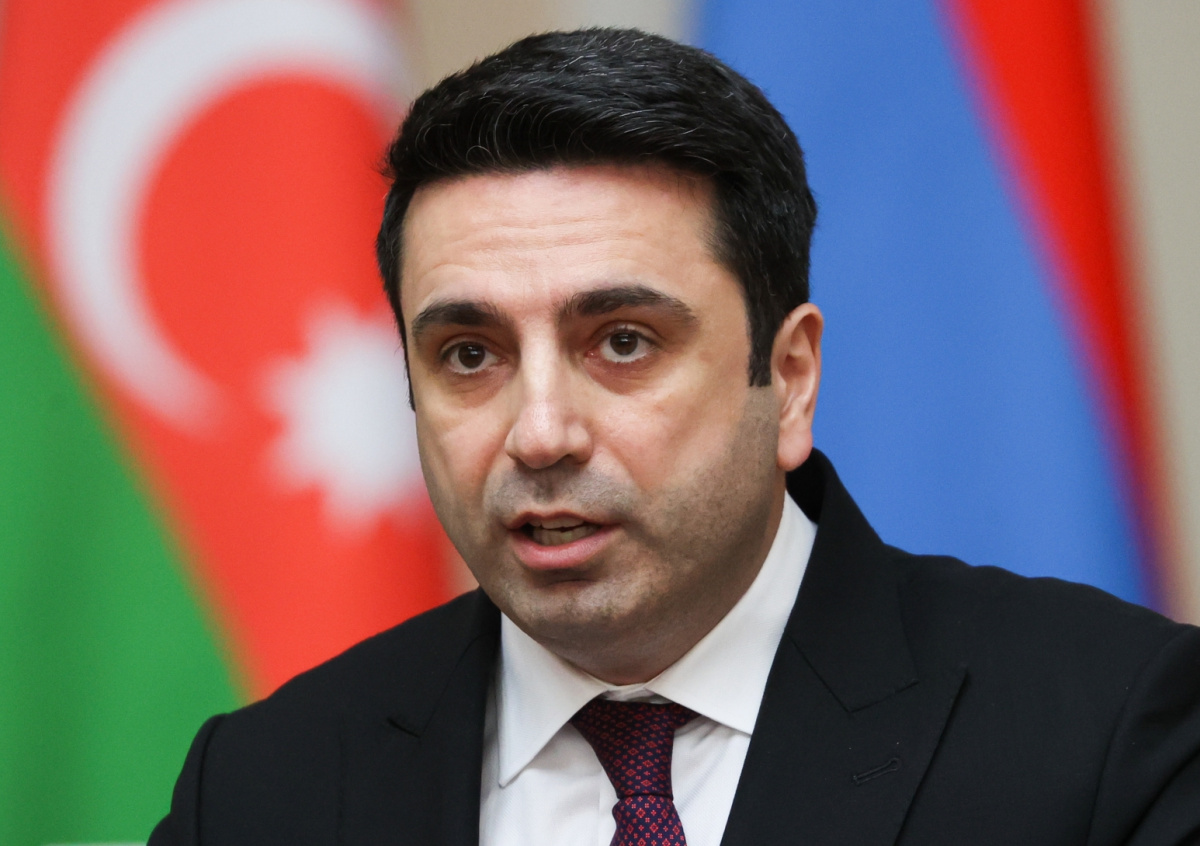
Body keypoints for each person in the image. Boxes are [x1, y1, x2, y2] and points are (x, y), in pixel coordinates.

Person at [149, 28, 1200, 845]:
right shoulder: (261, 790)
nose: (540, 433)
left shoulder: (1106, 735)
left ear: (789, 380)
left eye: (623, 342)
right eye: (470, 354)